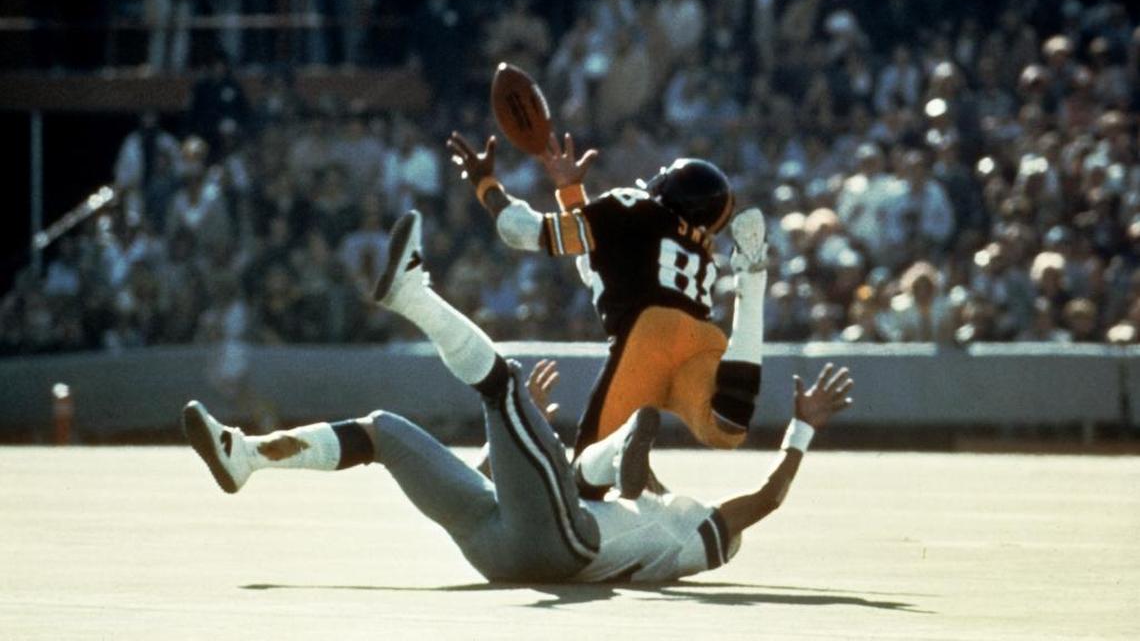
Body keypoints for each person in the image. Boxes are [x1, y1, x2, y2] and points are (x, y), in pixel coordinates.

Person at [183, 210, 854, 583]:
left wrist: (802, 431)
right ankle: (246, 457)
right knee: (383, 430)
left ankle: (413, 295)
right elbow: (548, 475)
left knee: (501, 381)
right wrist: (524, 435)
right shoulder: (658, 516)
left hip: (562, 546)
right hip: (501, 541)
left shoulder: (694, 536)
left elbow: (694, 458)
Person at [446, 132, 769, 478]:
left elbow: (519, 229)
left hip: (649, 335)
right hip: (704, 336)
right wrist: (571, 194)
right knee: (724, 427)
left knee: (586, 479)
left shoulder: (630, 205)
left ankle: (620, 450)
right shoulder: (701, 250)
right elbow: (596, 268)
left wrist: (486, 185)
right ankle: (751, 282)